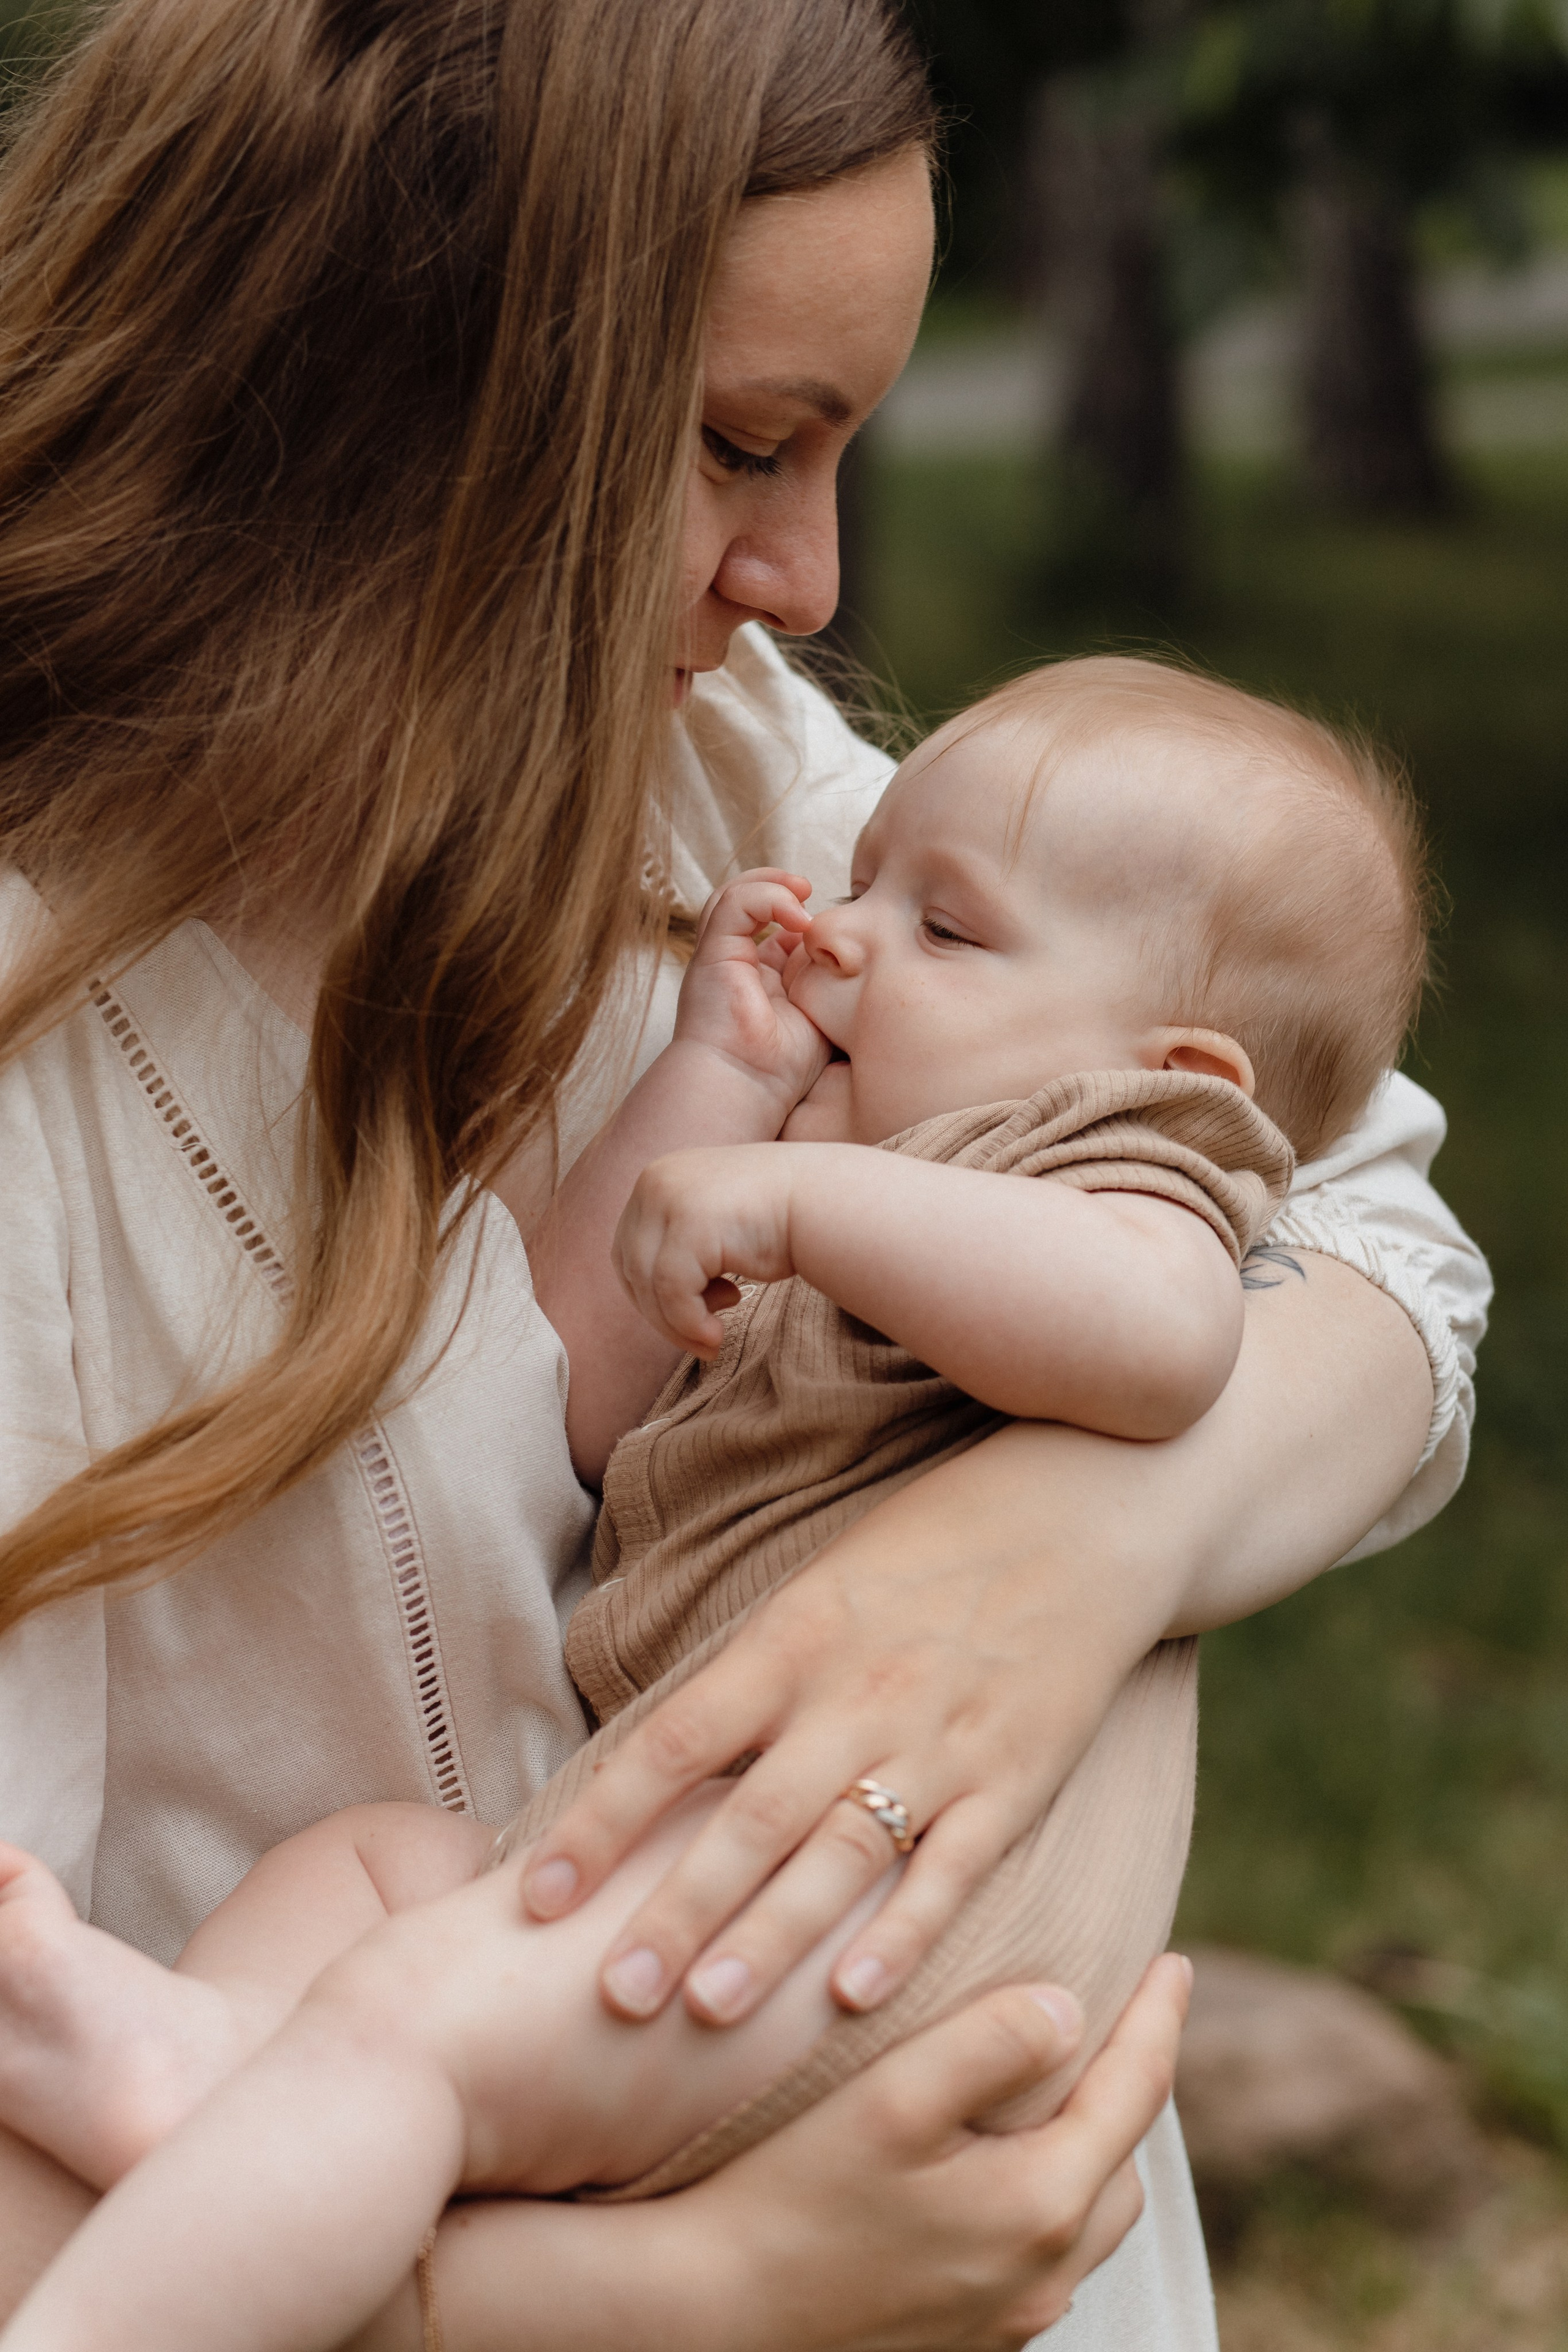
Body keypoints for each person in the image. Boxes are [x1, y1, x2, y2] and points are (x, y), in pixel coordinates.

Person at [0, 0, 1487, 2344]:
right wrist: (689, 2294)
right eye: (735, 445)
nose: (802, 581)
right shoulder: (56, 1053)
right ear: (384, 379)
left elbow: (1374, 1227)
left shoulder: (721, 789)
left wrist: (1073, 1547)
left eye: (842, 451)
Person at [0, 658, 1438, 2352]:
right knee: (372, 1874)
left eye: (942, 930)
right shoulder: (882, 1186)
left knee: (410, 2024)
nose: (840, 933)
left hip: (876, 1922)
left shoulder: (1124, 1178)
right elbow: (562, 1402)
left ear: (1174, 1069)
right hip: (731, 1861)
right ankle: (216, 2065)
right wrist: (718, 1083)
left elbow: (1164, 1340)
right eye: (861, 880)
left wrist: (806, 1199)